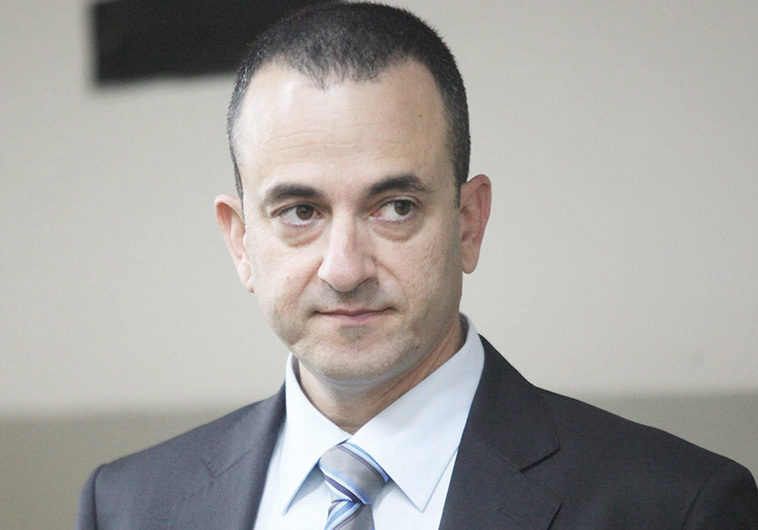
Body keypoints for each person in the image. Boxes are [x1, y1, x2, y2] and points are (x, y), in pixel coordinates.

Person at [76, 2, 758, 529]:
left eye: (395, 207)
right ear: (240, 241)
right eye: (300, 211)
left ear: (469, 222)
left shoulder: (677, 507)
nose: (345, 269)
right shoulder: (128, 507)